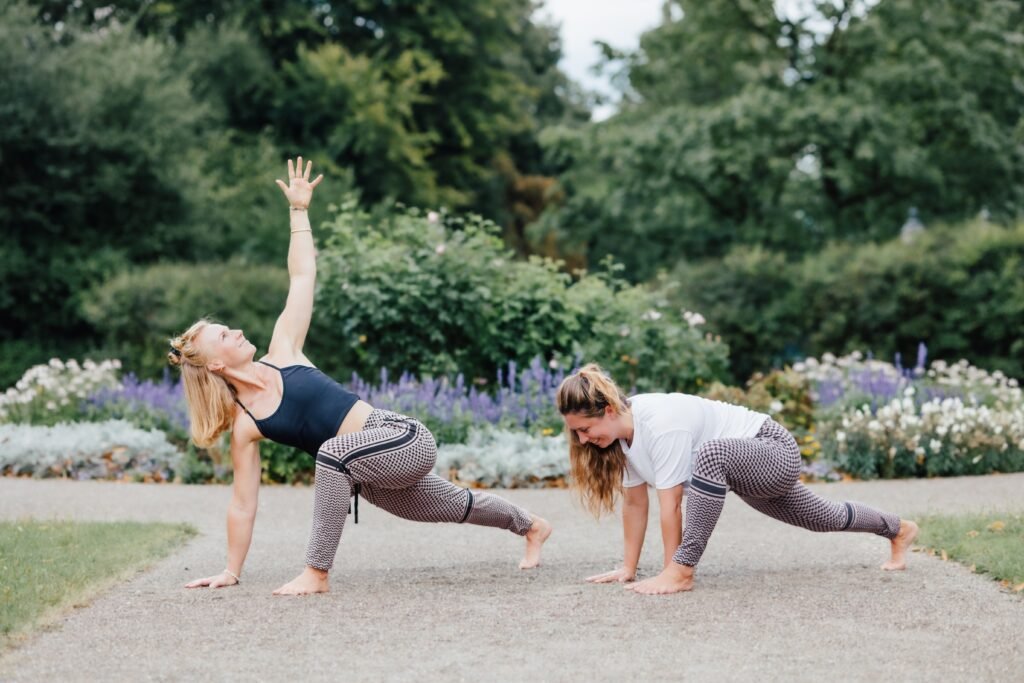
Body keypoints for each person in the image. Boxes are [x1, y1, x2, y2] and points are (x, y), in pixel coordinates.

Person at [169, 157, 552, 596]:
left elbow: (302, 275)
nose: (235, 330)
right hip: (369, 476)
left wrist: (299, 211)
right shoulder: (246, 425)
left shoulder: (284, 351)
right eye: (224, 335)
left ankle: (317, 573)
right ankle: (532, 526)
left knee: (330, 454)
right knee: (451, 504)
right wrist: (230, 571)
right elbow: (242, 503)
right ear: (215, 365)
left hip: (402, 438)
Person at [555, 364, 918, 595]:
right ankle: (898, 529)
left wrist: (672, 572)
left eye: (585, 429)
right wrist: (629, 569)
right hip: (746, 472)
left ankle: (683, 570)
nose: (584, 440)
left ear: (607, 410)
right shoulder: (622, 440)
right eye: (578, 434)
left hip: (773, 450)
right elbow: (636, 503)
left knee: (709, 454)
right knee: (824, 517)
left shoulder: (659, 422)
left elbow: (672, 504)